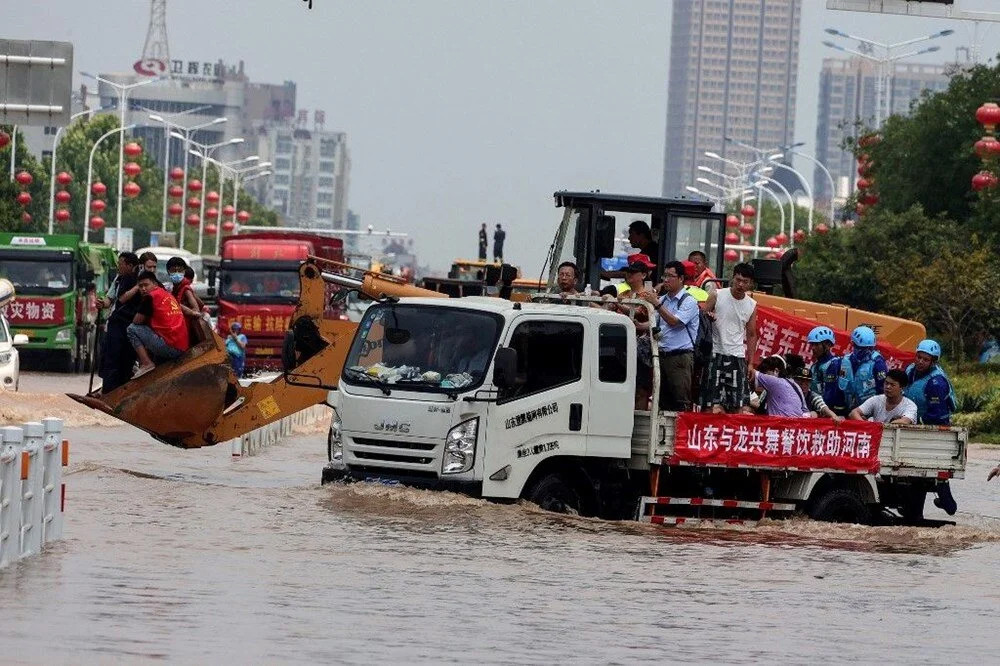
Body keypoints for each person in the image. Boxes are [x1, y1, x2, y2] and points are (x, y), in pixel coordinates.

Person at [642, 261, 699, 411]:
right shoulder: (663, 299)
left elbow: (674, 322)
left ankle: (680, 434)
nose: (666, 280)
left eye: (670, 276)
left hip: (680, 357)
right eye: (664, 276)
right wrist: (635, 323)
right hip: (661, 355)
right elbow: (653, 323)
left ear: (681, 278)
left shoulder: (689, 301)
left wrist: (656, 303)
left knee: (681, 402)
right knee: (662, 401)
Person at [703, 262, 758, 414]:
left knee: (740, 403)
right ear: (732, 278)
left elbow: (752, 334)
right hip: (715, 352)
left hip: (737, 355)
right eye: (738, 280)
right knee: (710, 403)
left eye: (745, 282)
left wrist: (751, 363)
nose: (740, 284)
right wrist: (708, 317)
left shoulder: (751, 304)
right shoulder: (717, 295)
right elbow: (700, 318)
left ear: (750, 284)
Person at [127, 271, 190, 378]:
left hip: (171, 346)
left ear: (155, 284)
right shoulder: (166, 294)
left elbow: (136, 322)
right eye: (140, 286)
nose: (143, 289)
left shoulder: (150, 297)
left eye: (146, 285)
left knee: (132, 329)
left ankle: (146, 363)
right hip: (182, 345)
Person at [98, 252, 141, 394]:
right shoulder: (118, 279)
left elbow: (122, 299)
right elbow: (110, 300)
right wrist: (102, 303)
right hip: (115, 325)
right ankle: (108, 391)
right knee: (110, 358)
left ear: (130, 266)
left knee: (123, 360)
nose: (118, 267)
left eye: (121, 264)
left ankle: (117, 392)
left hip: (128, 326)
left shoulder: (140, 282)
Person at [618, 260, 654, 409]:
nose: (629, 275)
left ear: (643, 275)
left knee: (640, 388)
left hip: (641, 349)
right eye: (628, 272)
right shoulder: (623, 294)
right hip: (621, 345)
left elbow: (641, 312)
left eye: (633, 272)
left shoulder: (648, 295)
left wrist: (618, 303)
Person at [835, 325, 888, 413]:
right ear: (853, 344)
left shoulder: (878, 363)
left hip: (870, 414)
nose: (866, 351)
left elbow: (883, 391)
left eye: (869, 348)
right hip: (848, 411)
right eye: (861, 348)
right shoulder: (845, 361)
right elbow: (840, 389)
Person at [904, 339, 956, 426]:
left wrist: (914, 422)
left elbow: (936, 414)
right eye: (919, 357)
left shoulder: (937, 383)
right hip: (910, 420)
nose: (920, 362)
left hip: (930, 427)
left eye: (925, 360)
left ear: (933, 362)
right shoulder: (910, 370)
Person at [848, 369, 917, 425]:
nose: (887, 387)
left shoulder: (910, 405)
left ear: (902, 388)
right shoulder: (876, 399)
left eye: (892, 385)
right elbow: (853, 413)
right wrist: (867, 425)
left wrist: (877, 426)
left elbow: (905, 422)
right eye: (886, 383)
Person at [806, 326, 841, 410]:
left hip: (830, 413)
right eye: (812, 344)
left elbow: (831, 394)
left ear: (828, 345)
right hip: (817, 409)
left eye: (817, 344)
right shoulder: (814, 366)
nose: (813, 348)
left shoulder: (836, 364)